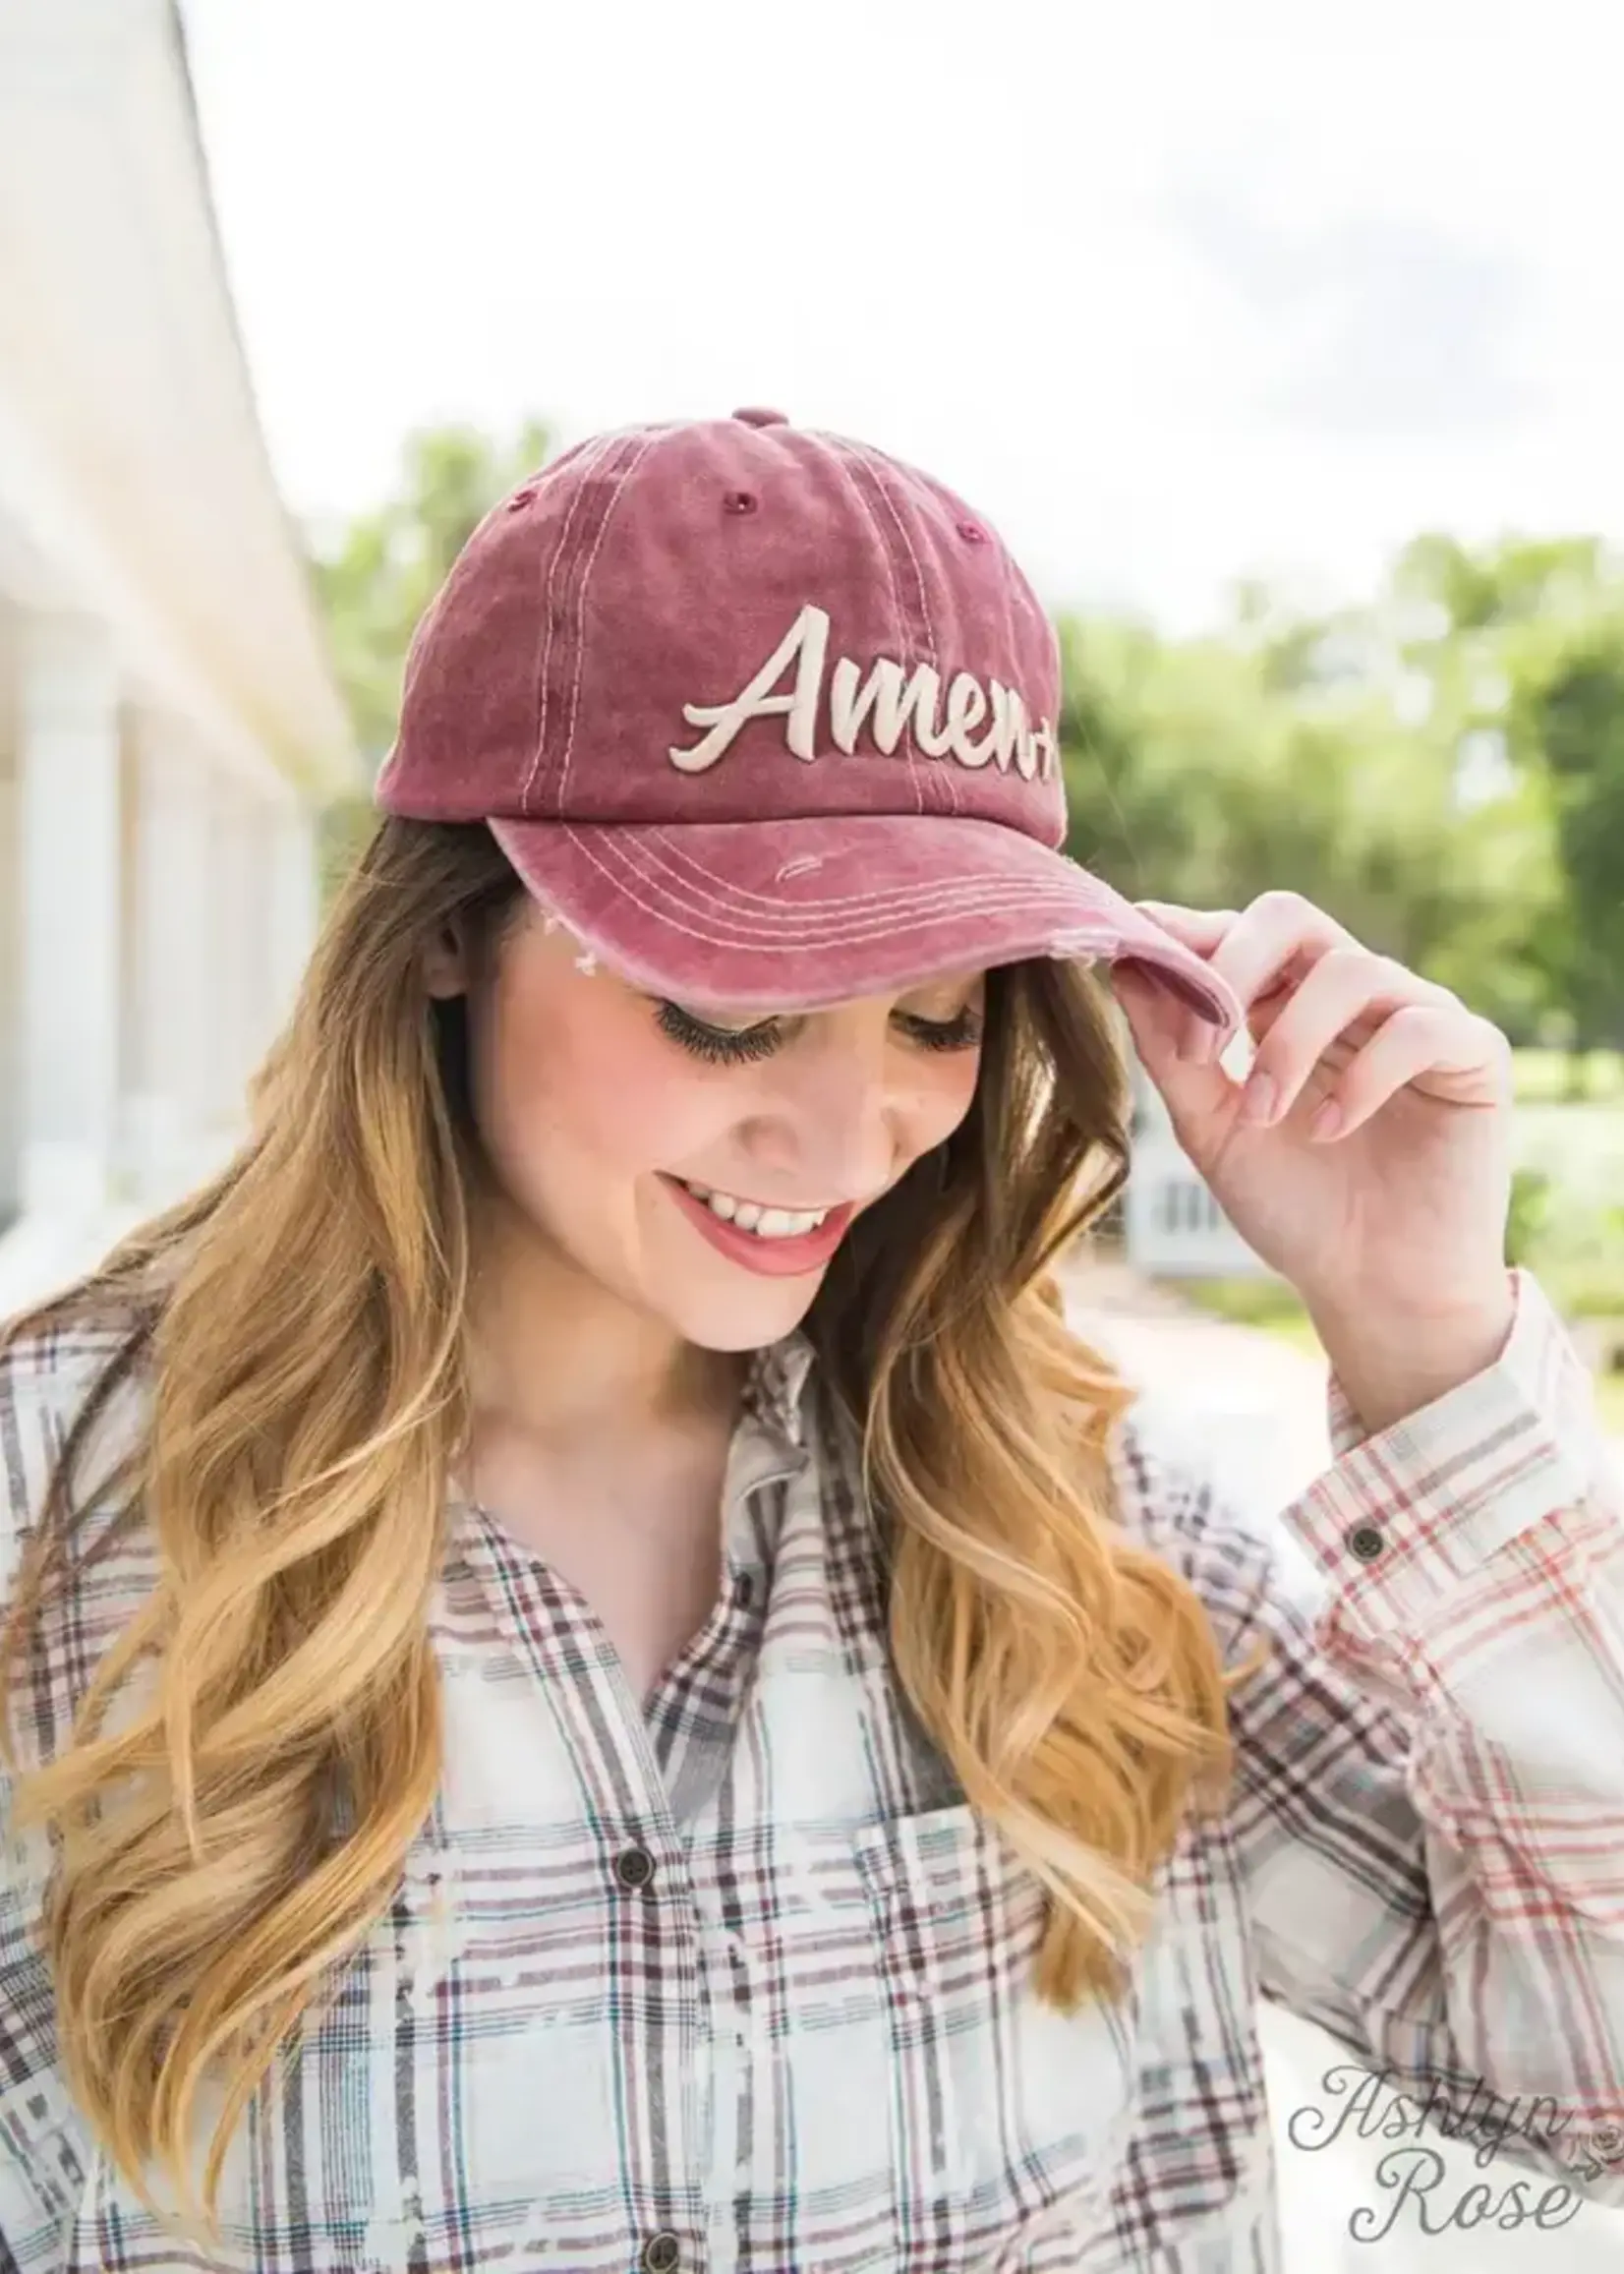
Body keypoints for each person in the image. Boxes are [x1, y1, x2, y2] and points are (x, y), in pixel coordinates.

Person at [0, 408, 1619, 2274]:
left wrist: (1426, 1339)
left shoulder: (1079, 1529)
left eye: (936, 1019)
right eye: (729, 1013)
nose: (852, 1140)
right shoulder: (62, 1517)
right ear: (451, 934)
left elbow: (1580, 2086)